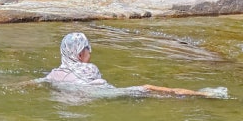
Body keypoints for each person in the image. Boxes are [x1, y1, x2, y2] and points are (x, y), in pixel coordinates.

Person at [37, 32, 225, 98]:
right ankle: (204, 94)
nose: (90, 52)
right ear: (80, 53)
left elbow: (37, 82)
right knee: (149, 88)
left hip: (83, 96)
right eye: (88, 48)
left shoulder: (55, 73)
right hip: (109, 95)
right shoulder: (89, 69)